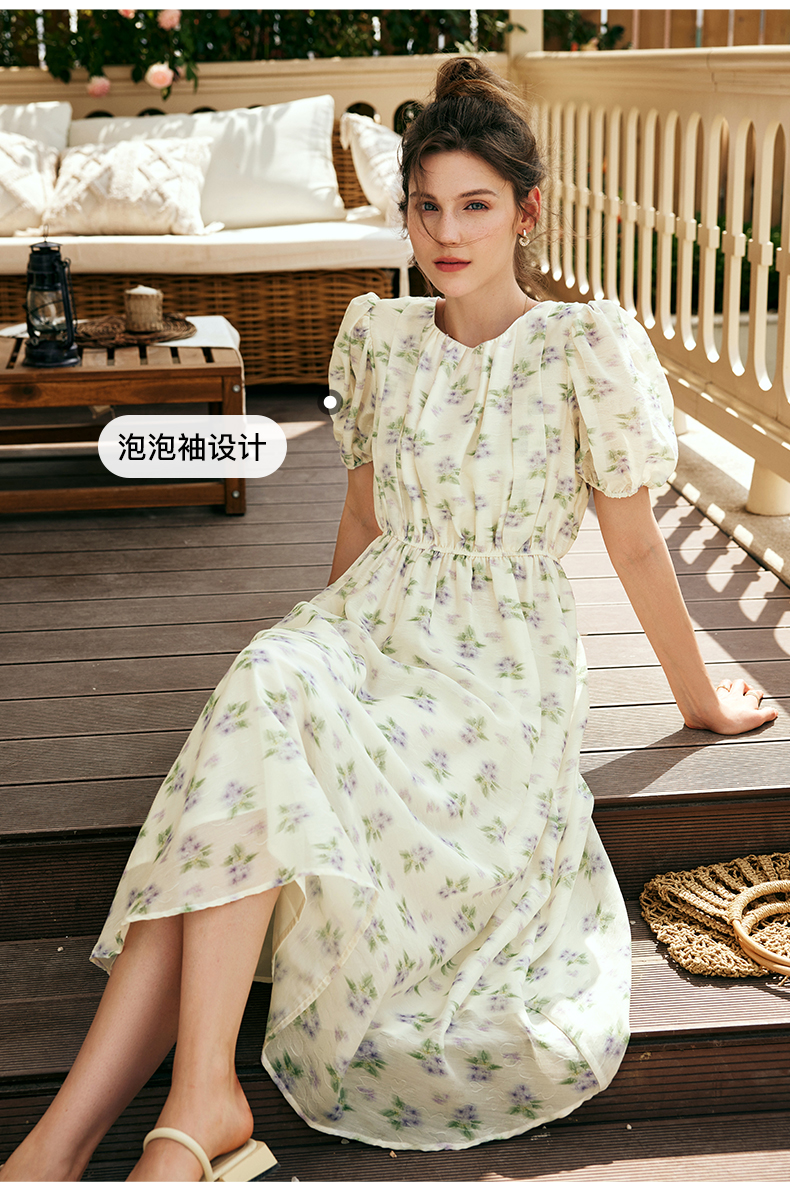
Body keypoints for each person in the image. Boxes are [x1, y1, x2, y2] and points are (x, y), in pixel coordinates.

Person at [1, 56, 776, 1182]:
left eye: (475, 206)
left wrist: (698, 699)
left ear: (526, 212)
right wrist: (323, 653)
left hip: (499, 666)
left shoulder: (580, 349)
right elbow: (363, 520)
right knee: (272, 682)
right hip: (376, 618)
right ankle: (153, 1119)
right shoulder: (380, 336)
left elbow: (636, 544)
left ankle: (107, 1136)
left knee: (256, 733)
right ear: (404, 211)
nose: (446, 233)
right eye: (426, 206)